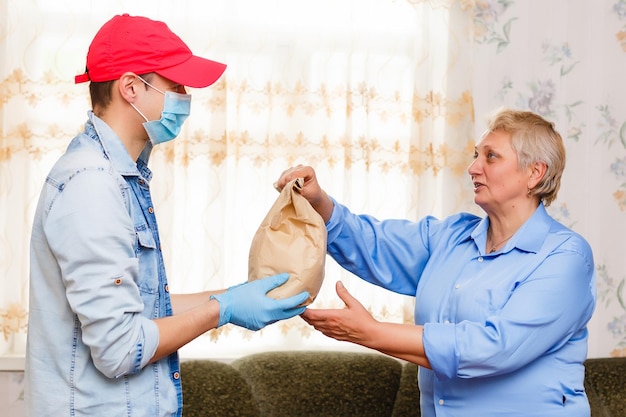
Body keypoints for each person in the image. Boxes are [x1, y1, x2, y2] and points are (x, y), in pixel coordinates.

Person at [25, 14, 308, 417]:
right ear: (130, 88)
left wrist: (228, 295)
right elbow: (120, 349)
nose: (185, 95)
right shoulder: (92, 186)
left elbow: (139, 305)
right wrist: (220, 312)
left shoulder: (120, 176)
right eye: (175, 84)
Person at [275, 108, 596, 417]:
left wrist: (372, 332)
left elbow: (495, 348)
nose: (473, 167)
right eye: (476, 155)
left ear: (534, 173)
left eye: (491, 156)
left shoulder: (565, 257)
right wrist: (319, 201)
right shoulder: (450, 237)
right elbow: (374, 244)